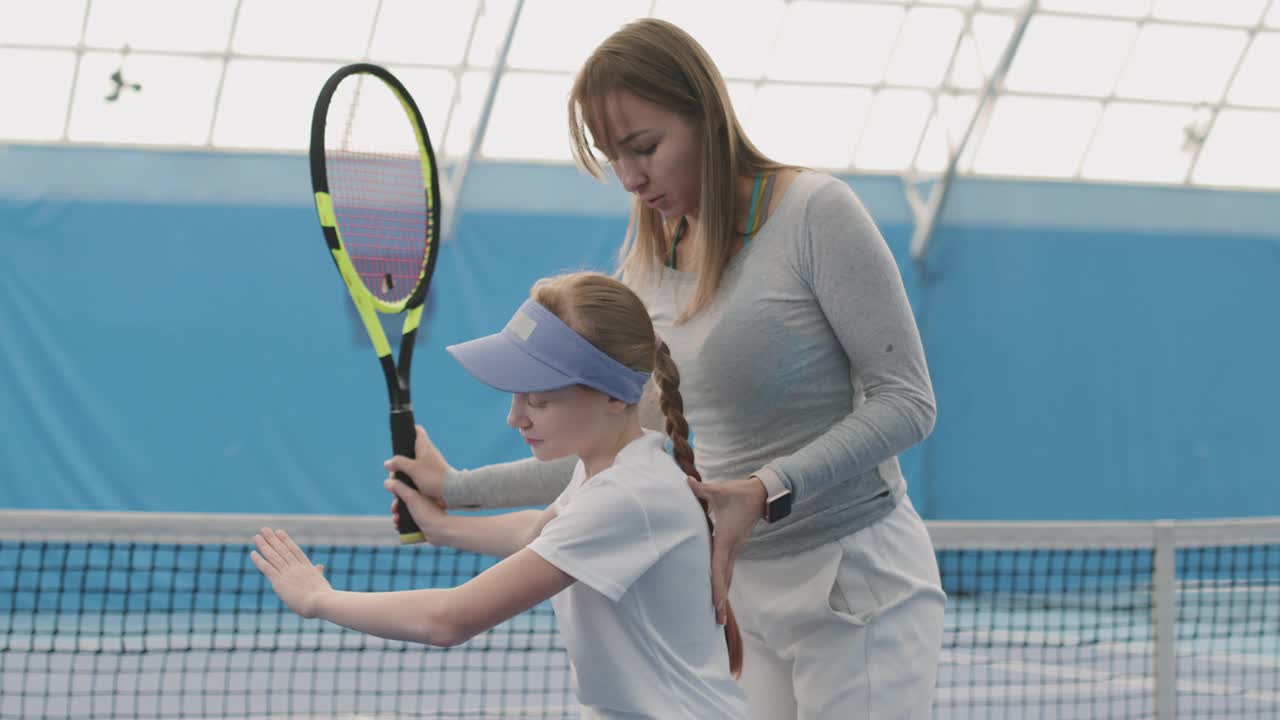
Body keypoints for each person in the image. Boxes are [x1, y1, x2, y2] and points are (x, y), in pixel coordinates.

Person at [387, 17, 946, 720]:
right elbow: (618, 446)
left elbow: (908, 402)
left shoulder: (815, 212)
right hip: (735, 591)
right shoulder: (647, 257)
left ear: (705, 116)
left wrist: (767, 488)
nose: (629, 177)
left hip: (859, 586)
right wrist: (457, 489)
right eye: (610, 156)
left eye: (644, 147)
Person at [253, 271, 749, 720]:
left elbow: (448, 620)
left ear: (615, 396)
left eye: (539, 399)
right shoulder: (611, 470)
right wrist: (443, 527)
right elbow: (537, 531)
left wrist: (320, 599)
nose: (516, 418)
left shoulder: (627, 497)